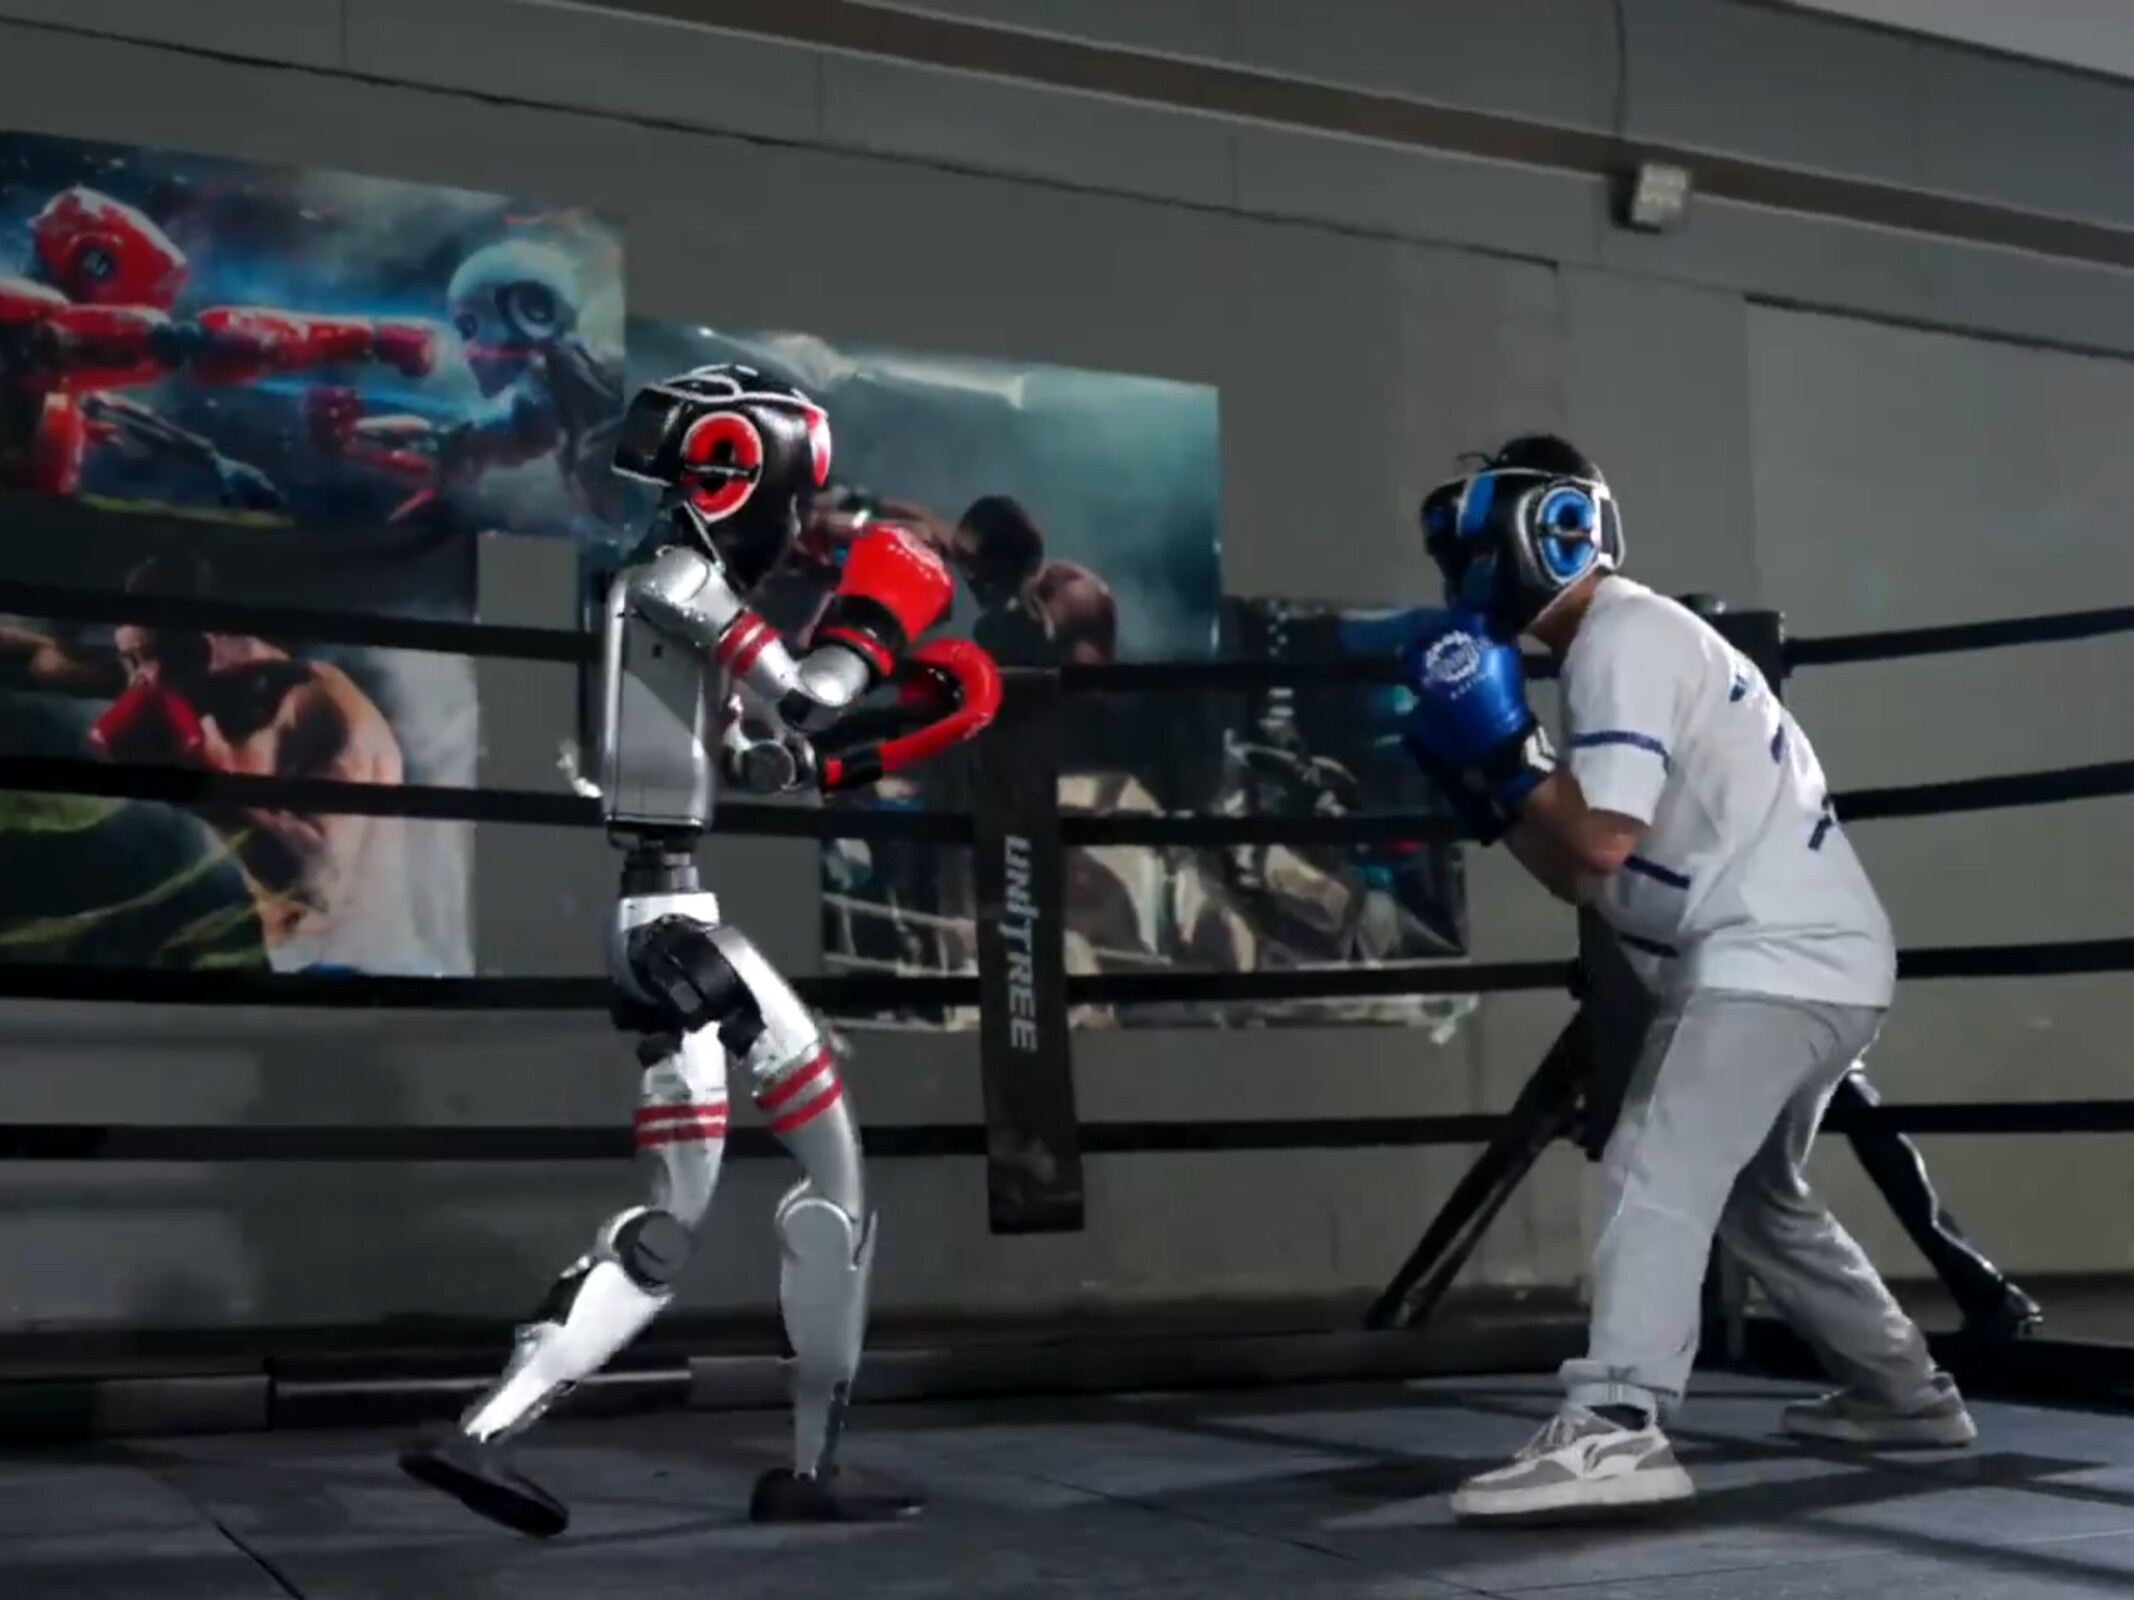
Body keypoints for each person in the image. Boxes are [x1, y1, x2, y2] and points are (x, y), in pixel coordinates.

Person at [1396, 434, 1974, 1525]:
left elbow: (1598, 841)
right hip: (1804, 957)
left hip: (1770, 958)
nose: (1465, 576)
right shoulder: (1621, 644)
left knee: (1649, 1161)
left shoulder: (1625, 637)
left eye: (1475, 549)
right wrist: (1494, 785)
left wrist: (1505, 754)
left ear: (1549, 532)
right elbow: (1582, 874)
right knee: (1755, 1198)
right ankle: (1904, 1397)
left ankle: (1617, 1422)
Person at [0, 551, 423, 973]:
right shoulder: (175, 672)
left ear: (203, 648)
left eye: (147, 658)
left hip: (360, 962)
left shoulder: (316, 711)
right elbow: (39, 658)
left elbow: (323, 882)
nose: (139, 679)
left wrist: (211, 794)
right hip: (294, 958)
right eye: (132, 659)